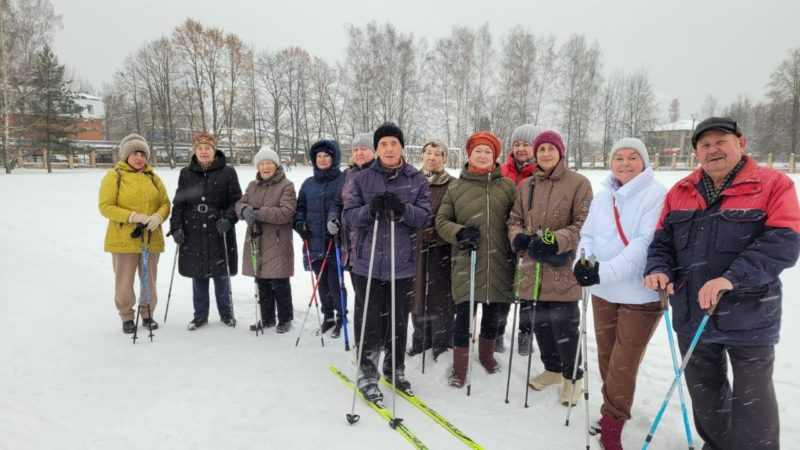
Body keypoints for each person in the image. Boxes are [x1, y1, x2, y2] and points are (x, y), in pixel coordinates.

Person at [643, 117, 800, 450]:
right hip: (691, 313)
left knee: (753, 404)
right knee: (706, 396)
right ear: (697, 152)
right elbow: (661, 244)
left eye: (721, 141)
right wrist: (658, 268)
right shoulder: (680, 191)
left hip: (751, 314)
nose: (713, 149)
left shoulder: (772, 184)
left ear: (741, 143)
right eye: (705, 145)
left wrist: (731, 277)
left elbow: (783, 242)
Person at [572, 137, 665, 449]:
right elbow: (588, 234)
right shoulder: (603, 197)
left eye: (632, 157)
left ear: (644, 162)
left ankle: (613, 424)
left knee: (624, 362)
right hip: (603, 292)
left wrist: (602, 271)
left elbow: (643, 245)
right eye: (619, 157)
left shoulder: (655, 194)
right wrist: (582, 262)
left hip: (640, 294)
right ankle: (610, 410)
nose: (625, 163)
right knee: (607, 358)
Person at [343, 122, 431, 403]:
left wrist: (403, 209)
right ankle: (368, 373)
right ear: (377, 149)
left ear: (402, 147)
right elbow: (350, 217)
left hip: (401, 263)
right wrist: (371, 209)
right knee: (368, 321)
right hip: (367, 262)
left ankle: (395, 368)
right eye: (383, 145)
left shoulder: (416, 179)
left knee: (397, 320)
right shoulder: (361, 178)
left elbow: (424, 217)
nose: (389, 149)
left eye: (394, 144)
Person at [508, 130, 592, 406]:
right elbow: (515, 218)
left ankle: (572, 377)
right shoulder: (527, 185)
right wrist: (517, 236)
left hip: (562, 267)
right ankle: (553, 369)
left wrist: (555, 240)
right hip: (532, 267)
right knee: (540, 324)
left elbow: (584, 224)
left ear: (560, 152)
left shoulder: (578, 183)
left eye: (550, 149)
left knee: (565, 326)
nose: (545, 154)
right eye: (541, 149)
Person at [435, 131, 516, 388]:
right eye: (478, 151)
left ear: (495, 157)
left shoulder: (507, 187)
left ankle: (486, 355)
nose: (482, 156)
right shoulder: (456, 187)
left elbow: (517, 220)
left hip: (499, 261)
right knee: (464, 315)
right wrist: (459, 233)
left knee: (493, 313)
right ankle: (460, 366)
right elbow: (441, 221)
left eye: (488, 152)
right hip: (466, 260)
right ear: (469, 154)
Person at [170, 132, 242, 331]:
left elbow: (236, 200)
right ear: (194, 151)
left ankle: (226, 313)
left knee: (221, 274)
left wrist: (229, 219)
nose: (204, 151)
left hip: (218, 228)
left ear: (214, 150)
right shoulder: (186, 173)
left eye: (207, 148)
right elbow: (179, 203)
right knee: (198, 273)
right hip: (193, 229)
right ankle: (200, 315)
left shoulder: (228, 172)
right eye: (200, 148)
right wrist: (176, 227)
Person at [99, 134, 170, 333]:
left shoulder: (153, 177)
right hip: (124, 239)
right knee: (124, 281)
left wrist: (158, 216)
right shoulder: (114, 176)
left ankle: (147, 313)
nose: (139, 158)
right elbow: (105, 207)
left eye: (142, 154)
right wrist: (133, 216)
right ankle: (126, 316)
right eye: (134, 153)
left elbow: (165, 203)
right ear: (126, 156)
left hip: (150, 236)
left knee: (149, 279)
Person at [236, 146, 297, 334]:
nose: (265, 167)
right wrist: (244, 210)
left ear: (276, 165)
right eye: (262, 163)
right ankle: (268, 317)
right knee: (261, 280)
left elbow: (286, 213)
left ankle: (285, 318)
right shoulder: (252, 185)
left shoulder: (286, 186)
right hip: (256, 240)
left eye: (269, 163)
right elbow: (240, 203)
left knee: (279, 282)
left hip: (277, 241)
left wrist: (258, 213)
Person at [407, 139, 455, 361]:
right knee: (416, 296)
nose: (432, 157)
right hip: (413, 251)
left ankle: (440, 344)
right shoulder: (410, 182)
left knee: (439, 298)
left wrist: (436, 233)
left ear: (444, 159)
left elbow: (454, 219)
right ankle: (420, 340)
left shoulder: (452, 185)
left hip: (440, 252)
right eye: (428, 152)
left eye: (438, 154)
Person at [293, 139, 347, 337]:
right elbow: (300, 209)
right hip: (314, 240)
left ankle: (342, 317)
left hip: (335, 241)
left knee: (336, 282)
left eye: (326, 156)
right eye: (319, 156)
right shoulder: (308, 184)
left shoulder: (343, 180)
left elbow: (345, 207)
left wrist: (338, 226)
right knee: (321, 281)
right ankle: (328, 316)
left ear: (334, 158)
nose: (322, 159)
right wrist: (299, 224)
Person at [497, 123, 540, 355]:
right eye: (517, 144)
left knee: (527, 289)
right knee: (503, 288)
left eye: (526, 144)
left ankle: (525, 335)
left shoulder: (540, 172)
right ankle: (497, 332)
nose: (521, 149)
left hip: (529, 240)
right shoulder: (503, 170)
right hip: (502, 239)